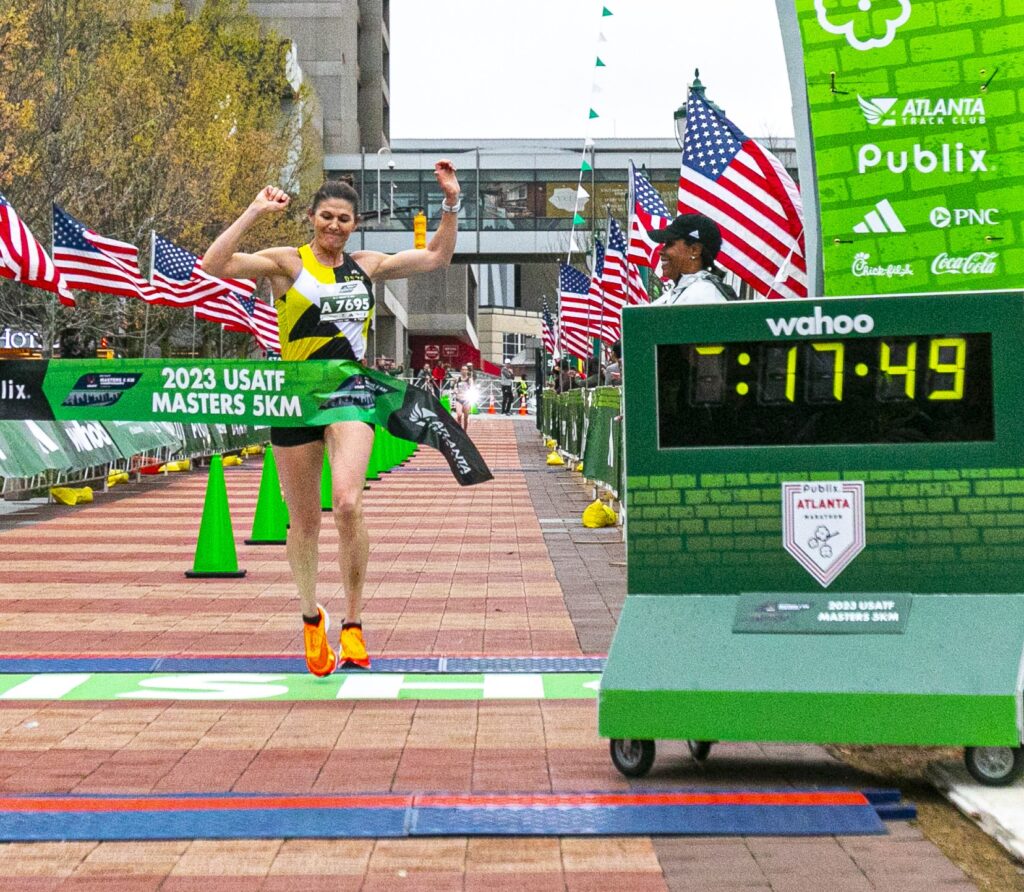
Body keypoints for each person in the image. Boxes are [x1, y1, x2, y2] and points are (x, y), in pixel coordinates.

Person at [202, 160, 462, 675]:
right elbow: (215, 264)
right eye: (326, 217)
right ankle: (309, 618)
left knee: (346, 503)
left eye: (344, 219)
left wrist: (451, 202)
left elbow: (436, 256)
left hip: (348, 392)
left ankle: (355, 624)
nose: (335, 227)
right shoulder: (287, 265)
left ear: (355, 224)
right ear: (311, 217)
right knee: (303, 523)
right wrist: (254, 210)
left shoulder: (367, 266)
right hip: (295, 396)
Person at [647, 213, 738, 305]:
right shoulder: (687, 291)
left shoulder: (703, 294)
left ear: (694, 250)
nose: (661, 251)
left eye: (669, 244)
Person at [452, 363, 474, 431]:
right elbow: (455, 387)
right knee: (459, 415)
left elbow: (472, 387)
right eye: (463, 369)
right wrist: (455, 390)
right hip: (459, 399)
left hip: (466, 400)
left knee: (466, 417)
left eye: (465, 369)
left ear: (467, 371)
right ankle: (459, 430)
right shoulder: (457, 379)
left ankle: (465, 430)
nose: (464, 371)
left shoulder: (469, 379)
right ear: (461, 371)